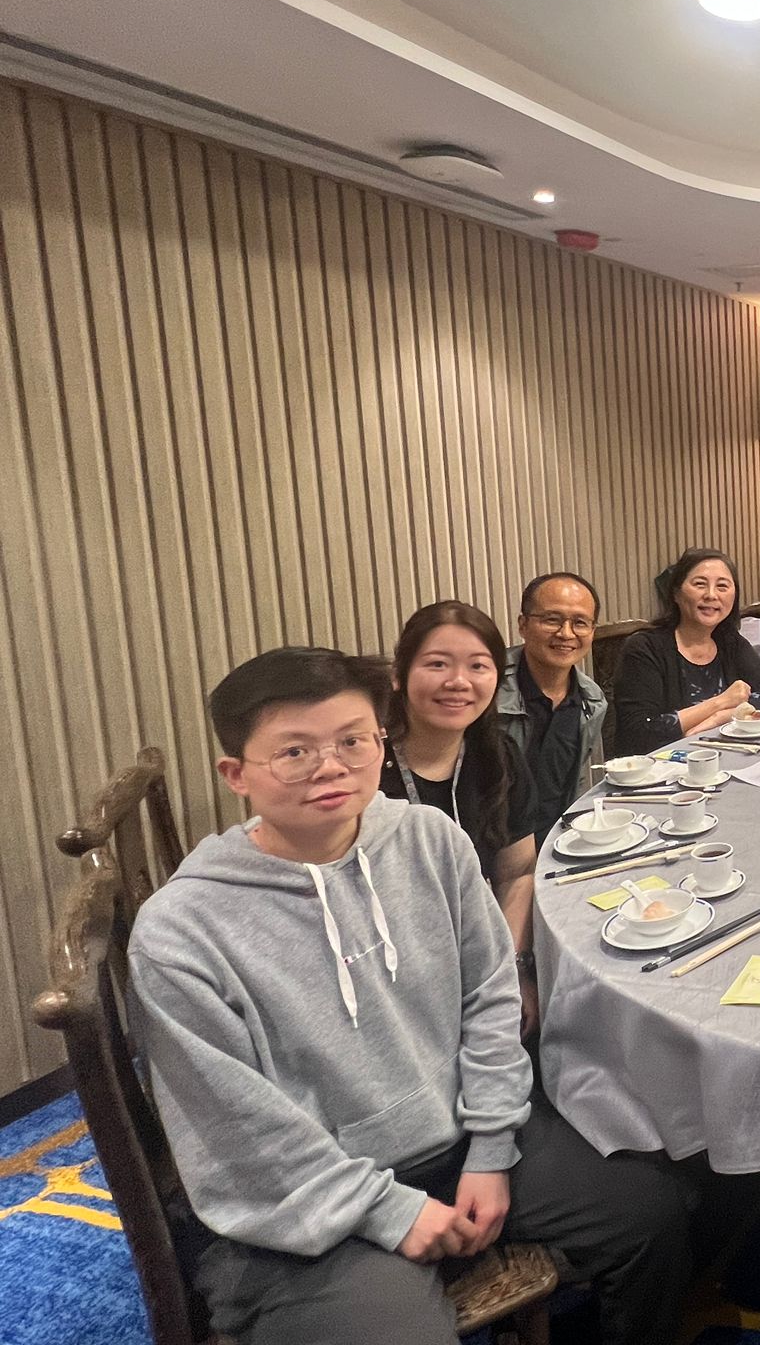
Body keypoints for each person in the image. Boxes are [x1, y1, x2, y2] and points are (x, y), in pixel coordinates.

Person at [129, 647, 695, 1345]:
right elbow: (237, 1127)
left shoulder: (430, 840)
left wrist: (491, 1146)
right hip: (309, 1200)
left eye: (352, 741)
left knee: (651, 1215)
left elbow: (489, 996)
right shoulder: (183, 931)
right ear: (236, 774)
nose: (331, 767)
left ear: (381, 742)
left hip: (457, 1135)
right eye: (295, 752)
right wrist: (390, 1212)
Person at [380, 602, 536, 1031]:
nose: (458, 682)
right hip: (393, 976)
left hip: (482, 960)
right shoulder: (364, 769)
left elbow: (517, 872)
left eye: (478, 666)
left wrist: (512, 970)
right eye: (437, 664)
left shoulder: (499, 757)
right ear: (399, 674)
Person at [613, 549, 760, 755]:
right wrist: (720, 702)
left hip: (725, 759)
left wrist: (720, 717)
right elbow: (640, 732)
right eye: (700, 584)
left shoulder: (729, 642)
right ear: (676, 593)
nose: (711, 595)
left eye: (722, 586)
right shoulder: (644, 648)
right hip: (663, 767)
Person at [496, 572, 608, 841]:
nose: (566, 633)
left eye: (580, 623)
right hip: (493, 845)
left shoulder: (592, 700)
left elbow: (574, 783)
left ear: (592, 631)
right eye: (552, 620)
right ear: (523, 625)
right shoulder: (488, 688)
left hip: (555, 841)